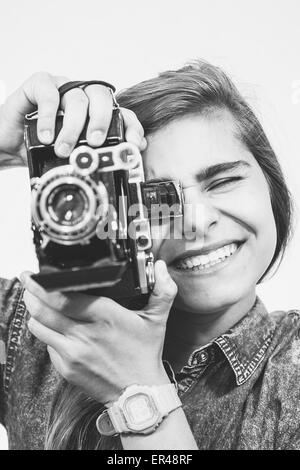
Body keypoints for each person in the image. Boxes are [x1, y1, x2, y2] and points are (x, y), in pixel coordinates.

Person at [0, 60, 299, 450]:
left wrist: (136, 391)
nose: (197, 221)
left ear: (271, 187)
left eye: (223, 181)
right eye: (155, 198)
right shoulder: (31, 325)